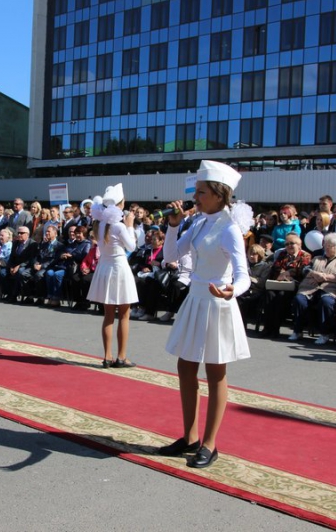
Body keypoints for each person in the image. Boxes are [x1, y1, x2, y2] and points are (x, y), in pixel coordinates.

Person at [157, 160, 252, 469]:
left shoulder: (229, 228)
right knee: (185, 367)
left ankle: (210, 444)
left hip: (217, 302)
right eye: (195, 192)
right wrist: (173, 226)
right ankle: (190, 436)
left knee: (215, 372)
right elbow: (171, 255)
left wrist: (232, 291)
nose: (194, 197)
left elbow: (244, 275)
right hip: (196, 299)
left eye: (200, 192)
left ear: (219, 194)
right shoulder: (198, 222)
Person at [87, 183, 139, 368]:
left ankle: (107, 356)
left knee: (108, 315)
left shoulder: (99, 223)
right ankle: (121, 356)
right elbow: (132, 247)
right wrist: (130, 226)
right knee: (124, 314)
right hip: (119, 268)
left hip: (105, 267)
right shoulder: (117, 226)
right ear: (121, 203)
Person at [290, 233, 336, 344]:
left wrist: (324, 277)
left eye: (330, 246)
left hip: (329, 289)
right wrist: (315, 274)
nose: (326, 248)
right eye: (325, 245)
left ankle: (324, 333)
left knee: (326, 302)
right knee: (299, 299)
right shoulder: (317, 258)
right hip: (310, 288)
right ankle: (297, 330)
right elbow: (305, 270)